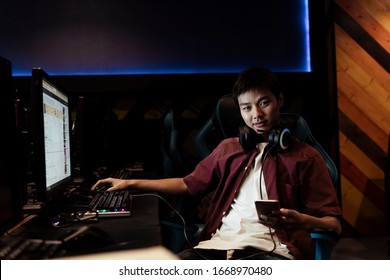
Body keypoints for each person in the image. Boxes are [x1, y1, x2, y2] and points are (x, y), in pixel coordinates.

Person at [92, 67, 342, 260]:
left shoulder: (306, 157)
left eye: (264, 103)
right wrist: (130, 183)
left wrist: (303, 221)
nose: (256, 114)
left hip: (271, 253)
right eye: (246, 107)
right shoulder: (228, 148)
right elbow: (187, 184)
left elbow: (332, 224)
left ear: (280, 100)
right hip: (214, 247)